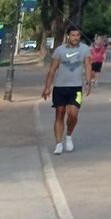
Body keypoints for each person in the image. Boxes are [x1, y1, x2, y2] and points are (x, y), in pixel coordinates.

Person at [42, 26, 93, 154]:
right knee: (59, 113)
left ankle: (69, 136)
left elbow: (88, 65)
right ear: (68, 36)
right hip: (60, 87)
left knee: (73, 114)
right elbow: (52, 70)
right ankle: (59, 143)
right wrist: (47, 87)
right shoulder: (60, 50)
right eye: (73, 35)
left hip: (76, 88)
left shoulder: (85, 49)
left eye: (78, 35)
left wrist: (88, 82)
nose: (76, 38)